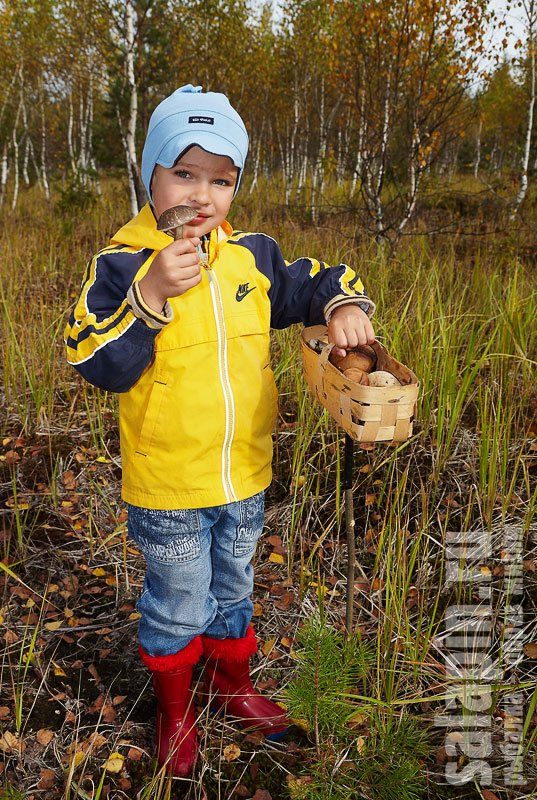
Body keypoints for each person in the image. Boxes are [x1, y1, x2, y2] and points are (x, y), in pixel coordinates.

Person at [64, 84, 376, 777]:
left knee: (232, 587)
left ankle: (228, 683)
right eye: (184, 172)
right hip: (169, 482)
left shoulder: (251, 258)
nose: (202, 195)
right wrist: (148, 296)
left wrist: (343, 302)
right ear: (148, 174)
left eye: (222, 179)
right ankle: (175, 708)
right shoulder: (121, 265)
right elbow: (94, 359)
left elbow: (315, 280)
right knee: (179, 600)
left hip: (244, 474)